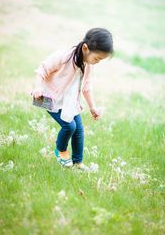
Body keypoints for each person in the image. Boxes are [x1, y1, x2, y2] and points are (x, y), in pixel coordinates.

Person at [31, 28, 114, 170]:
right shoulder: (63, 57)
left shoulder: (88, 64)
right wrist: (38, 87)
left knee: (79, 131)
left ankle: (78, 162)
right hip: (48, 98)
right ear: (86, 48)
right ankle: (61, 150)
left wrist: (92, 107)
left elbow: (86, 87)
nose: (97, 62)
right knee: (70, 126)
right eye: (97, 58)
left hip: (69, 102)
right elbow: (42, 69)